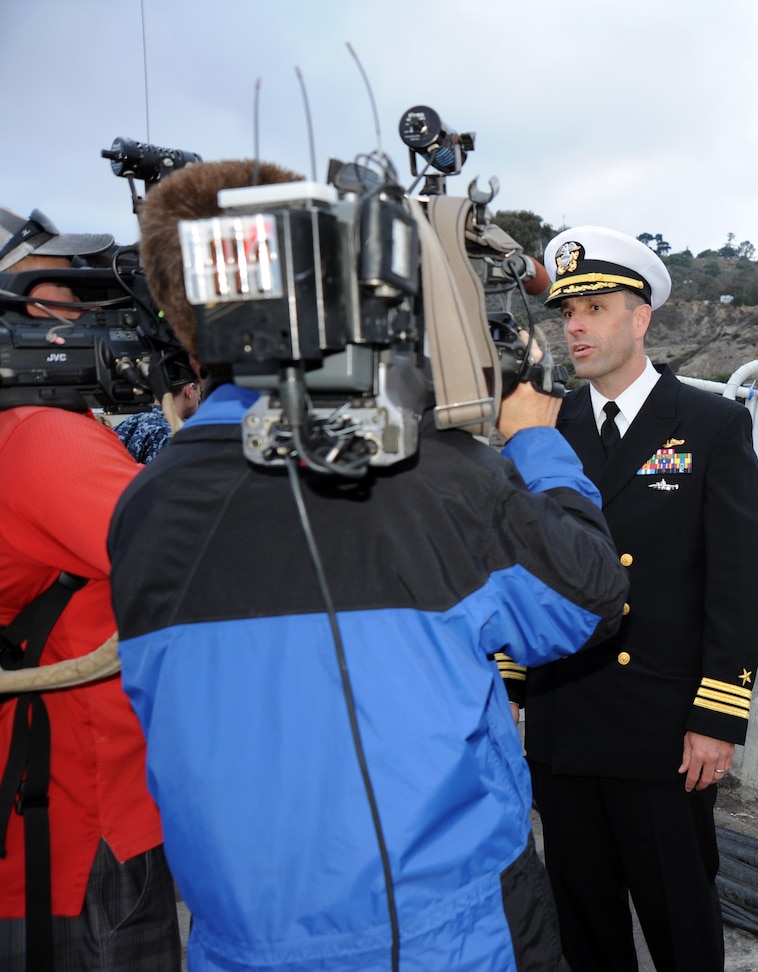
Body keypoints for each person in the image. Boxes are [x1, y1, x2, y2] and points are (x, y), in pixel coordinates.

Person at [107, 159, 629, 972]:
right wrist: (533, 439)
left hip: (234, 942)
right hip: (448, 937)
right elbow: (588, 601)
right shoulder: (432, 474)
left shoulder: (145, 502)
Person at [518, 226, 758, 972]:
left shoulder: (710, 425)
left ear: (642, 318)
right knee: (583, 923)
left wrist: (717, 717)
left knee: (680, 922)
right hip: (566, 720)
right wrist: (509, 688)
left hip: (664, 728)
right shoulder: (545, 428)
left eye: (595, 307)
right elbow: (517, 565)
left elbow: (740, 583)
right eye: (568, 312)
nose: (576, 327)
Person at [0, 213, 181, 970]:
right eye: (54, 293)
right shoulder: (45, 435)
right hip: (88, 822)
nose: (80, 310)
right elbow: (192, 558)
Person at [111, 352, 203, 463]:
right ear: (189, 390)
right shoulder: (170, 434)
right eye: (199, 391)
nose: (199, 397)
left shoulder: (130, 423)